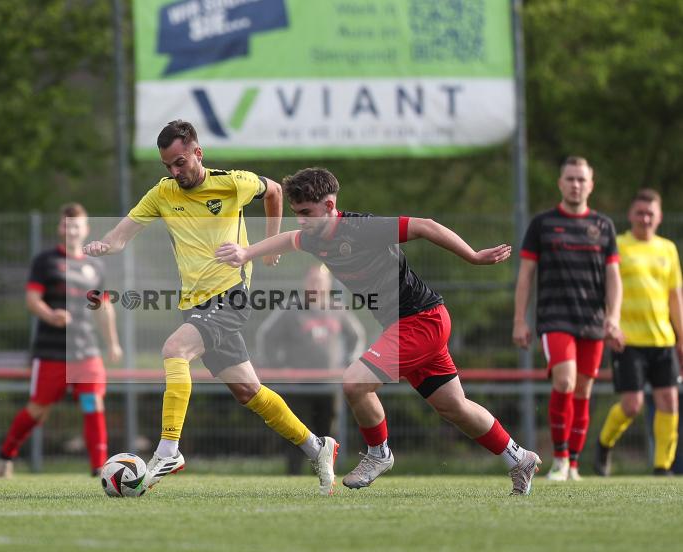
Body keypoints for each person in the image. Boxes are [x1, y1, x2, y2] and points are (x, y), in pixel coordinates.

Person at [216, 167, 542, 495]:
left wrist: (472, 256)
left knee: (355, 382)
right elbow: (288, 239)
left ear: (329, 206)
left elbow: (425, 226)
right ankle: (519, 458)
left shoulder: (361, 229)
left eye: (306, 213)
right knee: (454, 407)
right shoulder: (314, 236)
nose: (300, 220)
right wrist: (247, 253)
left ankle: (379, 453)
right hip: (412, 324)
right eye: (297, 213)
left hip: (421, 320)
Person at [83, 120, 339, 495]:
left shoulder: (232, 183)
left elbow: (273, 190)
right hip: (195, 304)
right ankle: (317, 447)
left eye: (180, 162)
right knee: (248, 391)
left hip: (231, 295)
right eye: (168, 165)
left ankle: (168, 450)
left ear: (198, 153)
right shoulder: (162, 193)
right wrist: (105, 245)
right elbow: (121, 235)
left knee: (175, 350)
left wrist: (269, 246)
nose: (175, 172)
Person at [513, 156, 623, 481]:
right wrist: (519, 319)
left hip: (592, 320)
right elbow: (526, 275)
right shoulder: (542, 224)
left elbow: (614, 277)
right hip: (554, 317)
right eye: (571, 179)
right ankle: (559, 459)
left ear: (591, 185)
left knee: (584, 391)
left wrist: (613, 317)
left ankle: (574, 464)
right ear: (560, 183)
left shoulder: (604, 226)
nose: (576, 184)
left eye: (581, 179)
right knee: (565, 382)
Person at [0, 204, 122, 478]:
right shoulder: (45, 261)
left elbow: (103, 307)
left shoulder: (95, 266)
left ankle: (99, 468)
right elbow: (32, 300)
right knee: (38, 411)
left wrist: (112, 342)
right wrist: (50, 315)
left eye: (77, 225)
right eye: (67, 225)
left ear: (86, 229)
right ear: (59, 228)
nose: (71, 230)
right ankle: (6, 455)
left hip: (86, 351)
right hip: (51, 352)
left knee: (92, 403)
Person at [594, 189, 681, 476]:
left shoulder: (667, 249)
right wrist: (610, 324)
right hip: (627, 340)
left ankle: (662, 467)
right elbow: (605, 289)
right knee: (632, 406)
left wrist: (681, 337)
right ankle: (604, 444)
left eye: (650, 213)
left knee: (669, 401)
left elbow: (675, 296)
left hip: (662, 339)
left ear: (659, 217)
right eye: (640, 213)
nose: (645, 218)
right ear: (631, 214)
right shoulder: (618, 245)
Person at [256, 264, 365, 474]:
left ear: (328, 284)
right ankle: (293, 476)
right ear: (305, 283)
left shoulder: (337, 309)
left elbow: (356, 336)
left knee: (327, 435)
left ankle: (325, 475)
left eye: (320, 281)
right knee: (295, 432)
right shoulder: (291, 309)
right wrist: (277, 367)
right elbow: (266, 336)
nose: (316, 285)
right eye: (313, 281)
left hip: (328, 385)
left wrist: (351, 363)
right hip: (298, 385)